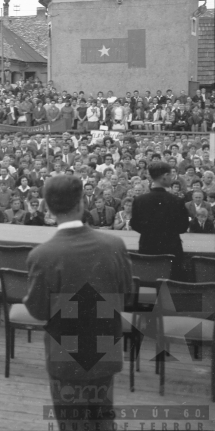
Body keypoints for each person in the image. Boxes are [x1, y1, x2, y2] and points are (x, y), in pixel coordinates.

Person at [24, 175, 132, 431]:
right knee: (103, 419)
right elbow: (125, 298)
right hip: (104, 347)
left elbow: (39, 311)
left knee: (72, 423)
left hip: (66, 355)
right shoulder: (114, 245)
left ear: (48, 208)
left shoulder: (42, 255)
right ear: (82, 203)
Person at [131, 161, 190, 280]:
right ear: (164, 177)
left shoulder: (140, 200)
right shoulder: (176, 201)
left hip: (147, 247)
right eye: (170, 175)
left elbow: (135, 224)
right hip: (172, 249)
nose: (171, 178)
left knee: (148, 284)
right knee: (171, 285)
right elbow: (183, 227)